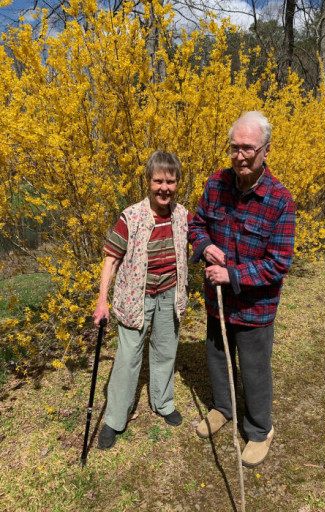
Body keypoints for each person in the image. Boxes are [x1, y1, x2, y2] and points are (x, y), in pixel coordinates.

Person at [188, 111, 295, 467]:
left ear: (265, 150)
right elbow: (197, 223)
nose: (240, 156)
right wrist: (204, 246)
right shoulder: (217, 183)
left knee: (254, 369)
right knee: (217, 360)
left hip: (254, 308)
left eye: (248, 148)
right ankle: (223, 408)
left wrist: (232, 275)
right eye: (234, 148)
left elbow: (278, 264)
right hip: (217, 303)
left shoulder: (280, 200)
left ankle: (260, 428)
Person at [93, 150, 192, 450]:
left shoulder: (182, 215)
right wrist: (102, 301)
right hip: (135, 298)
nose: (164, 188)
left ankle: (163, 403)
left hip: (169, 295)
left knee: (165, 352)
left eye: (170, 182)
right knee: (127, 358)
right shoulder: (131, 216)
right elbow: (111, 259)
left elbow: (197, 240)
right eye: (159, 181)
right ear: (148, 181)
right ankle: (114, 419)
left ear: (177, 184)